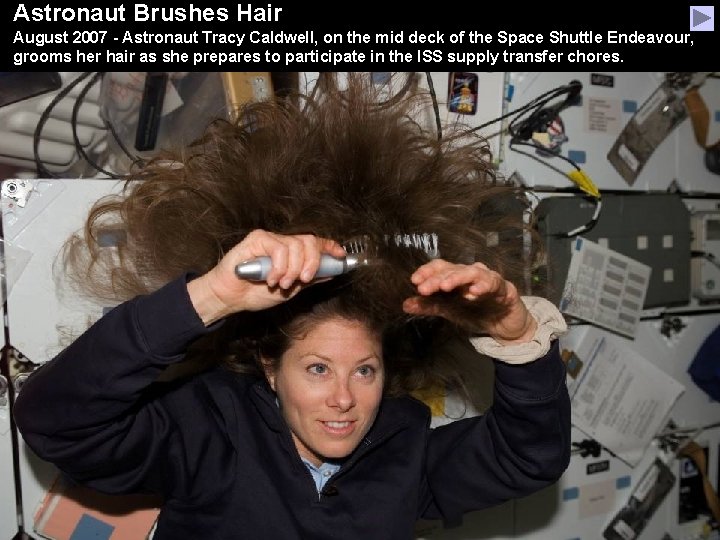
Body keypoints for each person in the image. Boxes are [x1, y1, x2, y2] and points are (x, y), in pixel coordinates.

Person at [13, 74, 570, 539]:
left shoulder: (405, 455)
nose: (344, 399)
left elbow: (528, 458)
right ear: (270, 369)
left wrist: (517, 336)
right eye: (318, 368)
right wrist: (211, 296)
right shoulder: (209, 437)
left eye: (365, 370)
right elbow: (56, 422)